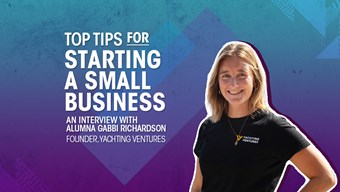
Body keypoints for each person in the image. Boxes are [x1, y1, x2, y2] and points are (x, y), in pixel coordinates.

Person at [190, 41, 337, 192]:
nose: (234, 83)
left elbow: (325, 178)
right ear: (217, 82)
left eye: (242, 75)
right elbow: (198, 186)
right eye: (225, 76)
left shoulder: (274, 127)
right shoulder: (208, 126)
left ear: (255, 79)